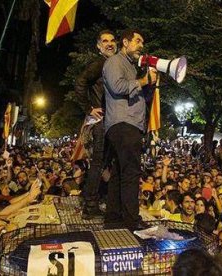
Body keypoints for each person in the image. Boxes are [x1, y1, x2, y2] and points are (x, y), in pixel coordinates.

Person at [103, 28, 157, 227]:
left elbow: (140, 96)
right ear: (125, 42)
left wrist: (149, 83)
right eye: (137, 41)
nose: (141, 45)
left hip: (128, 124)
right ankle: (132, 220)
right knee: (131, 172)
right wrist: (143, 80)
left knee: (119, 173)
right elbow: (118, 87)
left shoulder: (131, 67)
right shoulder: (114, 62)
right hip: (124, 124)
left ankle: (113, 217)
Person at [75, 29, 118, 219]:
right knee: (98, 163)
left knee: (105, 163)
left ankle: (97, 199)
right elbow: (80, 82)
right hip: (101, 122)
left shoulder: (112, 64)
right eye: (105, 41)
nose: (110, 43)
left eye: (112, 40)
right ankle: (90, 205)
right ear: (99, 46)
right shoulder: (100, 63)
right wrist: (89, 108)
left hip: (111, 121)